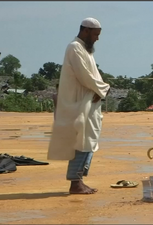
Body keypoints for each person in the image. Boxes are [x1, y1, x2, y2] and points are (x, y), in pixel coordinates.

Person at [47, 17, 110, 194]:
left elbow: (93, 76)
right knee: (81, 141)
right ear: (85, 31)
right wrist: (104, 88)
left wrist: (101, 90)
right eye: (95, 34)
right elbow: (85, 76)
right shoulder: (74, 48)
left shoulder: (85, 50)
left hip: (88, 103)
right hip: (78, 103)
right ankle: (75, 183)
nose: (97, 38)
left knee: (89, 140)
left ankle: (79, 180)